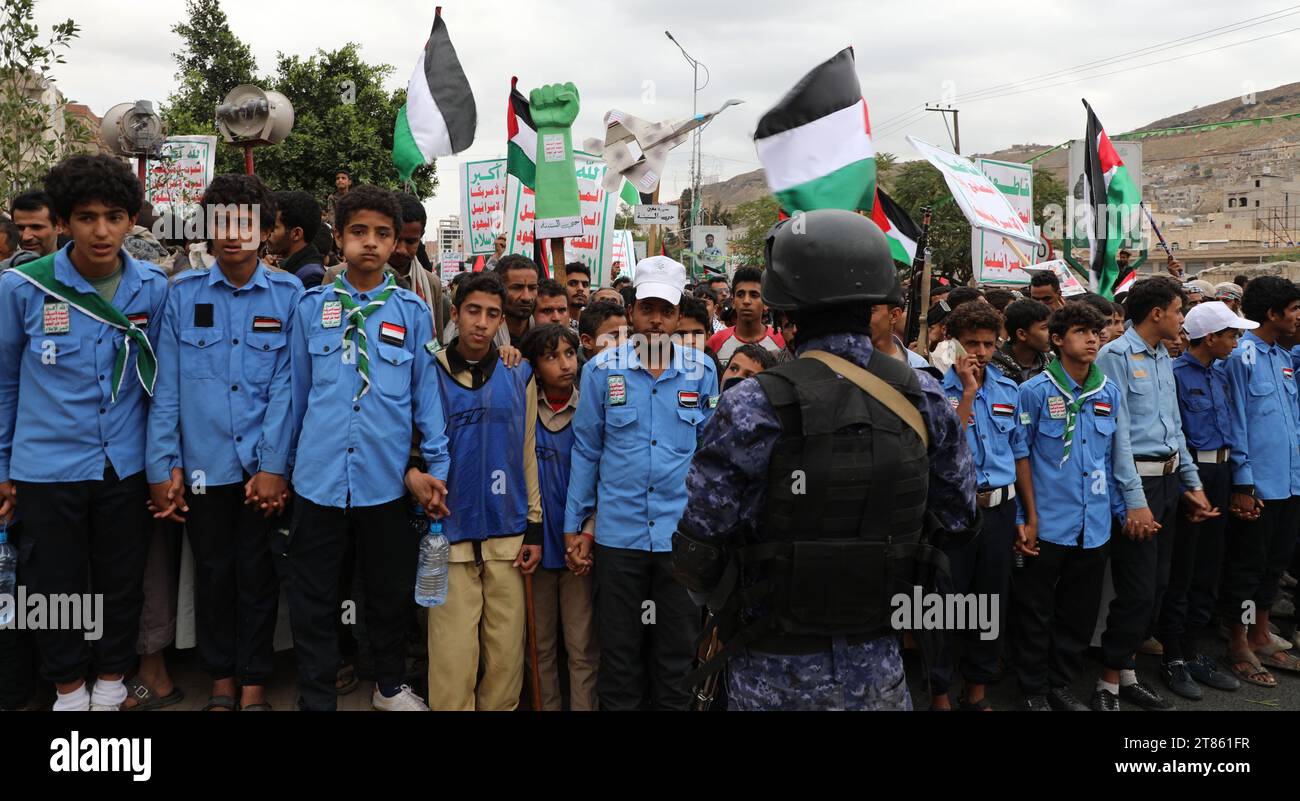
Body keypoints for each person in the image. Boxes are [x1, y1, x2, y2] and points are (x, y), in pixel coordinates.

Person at [674, 210, 977, 710]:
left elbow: (699, 544)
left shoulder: (752, 402)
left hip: (770, 670)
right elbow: (959, 519)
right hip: (879, 668)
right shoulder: (923, 395)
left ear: (785, 308)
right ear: (879, 299)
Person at [0, 154, 170, 711]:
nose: (101, 231)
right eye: (86, 216)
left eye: (115, 216)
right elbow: (4, 385)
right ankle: (68, 687)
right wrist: (3, 470)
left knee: (122, 579)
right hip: (47, 467)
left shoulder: (153, 287)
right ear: (64, 221)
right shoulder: (22, 289)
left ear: (131, 221)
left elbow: (165, 386)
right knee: (54, 585)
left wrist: (163, 464)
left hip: (124, 464)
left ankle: (112, 681)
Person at [286, 185, 450, 712]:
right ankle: (316, 695)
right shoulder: (310, 307)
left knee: (388, 590)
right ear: (338, 237)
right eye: (359, 232)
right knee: (314, 596)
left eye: (383, 234)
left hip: (384, 480)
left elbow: (426, 396)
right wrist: (276, 467)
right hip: (317, 478)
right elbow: (293, 394)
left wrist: (436, 466)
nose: (372, 244)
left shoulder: (413, 313)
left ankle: (388, 685)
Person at [146, 173, 302, 711]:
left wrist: (275, 466)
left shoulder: (289, 294)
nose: (233, 234)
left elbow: (289, 387)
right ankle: (220, 679)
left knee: (259, 575)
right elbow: (167, 387)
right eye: (223, 223)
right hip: (203, 467)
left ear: (265, 230)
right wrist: (161, 465)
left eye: (246, 222)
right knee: (213, 574)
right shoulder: (181, 295)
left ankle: (255, 679)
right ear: (207, 230)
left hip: (264, 467)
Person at [564, 255, 718, 710]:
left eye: (665, 311)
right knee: (620, 660)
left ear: (676, 317)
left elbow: (711, 457)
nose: (655, 320)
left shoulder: (702, 371)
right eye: (647, 308)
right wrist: (575, 525)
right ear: (631, 311)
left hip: (680, 541)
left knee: (675, 661)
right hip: (618, 538)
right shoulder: (600, 371)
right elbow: (587, 450)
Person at [1095, 276, 1216, 711]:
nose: (1184, 319)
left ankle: (1125, 672)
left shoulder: (1164, 355)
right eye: (1180, 310)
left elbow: (1175, 428)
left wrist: (1193, 485)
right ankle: (1107, 683)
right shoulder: (1115, 356)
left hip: (1167, 482)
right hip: (1138, 485)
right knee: (1138, 588)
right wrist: (1134, 501)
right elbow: (1117, 436)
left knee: (1159, 585)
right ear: (1157, 313)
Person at [425, 271, 542, 711]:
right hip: (444, 536)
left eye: (492, 314)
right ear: (455, 314)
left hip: (507, 534)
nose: (481, 322)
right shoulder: (429, 370)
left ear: (501, 322)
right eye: (473, 311)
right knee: (451, 660)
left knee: (506, 663)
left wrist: (533, 526)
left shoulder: (520, 373)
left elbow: (527, 453)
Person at [1012, 303, 1124, 712]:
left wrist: (1120, 512)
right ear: (1058, 340)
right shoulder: (1035, 392)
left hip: (1093, 524)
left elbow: (1111, 461)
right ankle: (1033, 688)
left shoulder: (1107, 392)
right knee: (1035, 610)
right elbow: (1020, 457)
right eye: (1081, 331)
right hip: (1048, 522)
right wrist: (1024, 519)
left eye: (1096, 332)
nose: (1093, 338)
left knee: (1077, 613)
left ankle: (1059, 682)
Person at [933, 301, 1029, 711]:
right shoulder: (934, 390)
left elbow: (1020, 455)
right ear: (952, 342)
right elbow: (943, 448)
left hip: (1000, 510)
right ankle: (939, 692)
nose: (981, 352)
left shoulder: (1010, 390)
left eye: (989, 343)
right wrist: (968, 393)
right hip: (954, 511)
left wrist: (1026, 517)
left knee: (991, 601)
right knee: (944, 604)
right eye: (971, 342)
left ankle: (977, 690)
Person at [1158, 301, 1255, 698]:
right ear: (1210, 337)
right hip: (1190, 477)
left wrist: (1239, 483)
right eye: (1231, 334)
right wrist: (1186, 489)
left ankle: (1195, 650)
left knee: (1209, 568)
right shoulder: (1175, 375)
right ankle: (1173, 655)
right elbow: (1174, 436)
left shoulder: (1221, 374)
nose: (1237, 341)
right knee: (1182, 569)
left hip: (1221, 473)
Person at [1221, 276, 1300, 685]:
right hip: (1258, 486)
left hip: (1289, 482)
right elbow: (1235, 423)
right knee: (1247, 569)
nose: (1299, 316)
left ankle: (1261, 633)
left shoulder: (1281, 355)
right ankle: (1239, 642)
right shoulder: (1241, 355)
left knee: (1274, 564)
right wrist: (1244, 482)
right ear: (1272, 314)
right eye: (1294, 309)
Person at [520, 323, 600, 710]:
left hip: (577, 553)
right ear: (534, 366)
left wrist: (587, 534)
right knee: (541, 646)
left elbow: (603, 481)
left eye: (570, 354)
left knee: (582, 646)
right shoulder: (522, 411)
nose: (565, 364)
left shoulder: (590, 408)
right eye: (552, 357)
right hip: (536, 546)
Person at [706, 266, 786, 367]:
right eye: (740, 295)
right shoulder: (716, 341)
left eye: (754, 295)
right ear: (733, 302)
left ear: (766, 302)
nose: (746, 301)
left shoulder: (781, 341)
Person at [269, 190, 326, 289]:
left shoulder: (311, 277)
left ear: (296, 234)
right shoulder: (290, 263)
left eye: (273, 228)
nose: (266, 233)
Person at [992, 298, 1052, 384]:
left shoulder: (1051, 363)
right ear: (1021, 334)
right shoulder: (994, 368)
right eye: (1044, 328)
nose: (1051, 333)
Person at [0, 189, 61, 270]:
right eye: (20, 228)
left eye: (36, 227)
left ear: (60, 226)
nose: (26, 237)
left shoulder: (77, 268)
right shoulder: (7, 271)